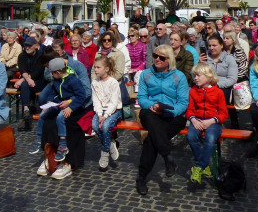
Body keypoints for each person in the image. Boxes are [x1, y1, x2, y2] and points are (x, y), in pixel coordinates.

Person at [135, 44, 190, 195]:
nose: (157, 59)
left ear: (169, 60)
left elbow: (183, 102)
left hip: (171, 115)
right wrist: (152, 105)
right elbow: (141, 98)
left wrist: (170, 112)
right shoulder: (146, 74)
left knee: (151, 140)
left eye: (161, 57)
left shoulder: (179, 76)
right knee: (150, 117)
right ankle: (167, 156)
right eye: (155, 56)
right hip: (151, 113)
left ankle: (141, 177)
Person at [28, 58, 86, 163]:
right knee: (42, 115)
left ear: (58, 72)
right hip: (58, 103)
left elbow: (81, 96)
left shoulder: (73, 81)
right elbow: (53, 93)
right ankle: (38, 139)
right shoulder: (56, 80)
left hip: (71, 106)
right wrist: (49, 103)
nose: (50, 75)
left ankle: (63, 146)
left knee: (60, 117)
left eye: (52, 72)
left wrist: (70, 107)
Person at [186, 63, 228, 186]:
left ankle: (199, 167)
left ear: (208, 76)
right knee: (191, 137)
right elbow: (189, 110)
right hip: (197, 120)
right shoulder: (193, 91)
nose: (195, 78)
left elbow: (224, 113)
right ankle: (204, 166)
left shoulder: (218, 92)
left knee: (210, 139)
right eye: (194, 76)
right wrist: (193, 120)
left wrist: (211, 121)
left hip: (213, 121)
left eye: (198, 75)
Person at [91, 55, 123, 171]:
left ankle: (104, 152)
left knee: (105, 126)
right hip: (101, 110)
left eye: (98, 67)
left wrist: (105, 116)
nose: (95, 69)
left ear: (107, 69)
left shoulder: (113, 82)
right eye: (95, 67)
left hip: (114, 111)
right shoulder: (95, 82)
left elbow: (114, 102)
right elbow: (96, 100)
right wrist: (99, 114)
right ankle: (110, 144)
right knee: (94, 125)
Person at [15, 36, 46, 131]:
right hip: (28, 82)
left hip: (39, 81)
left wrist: (23, 79)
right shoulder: (22, 56)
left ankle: (26, 110)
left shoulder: (41, 56)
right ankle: (26, 109)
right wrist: (27, 79)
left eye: (29, 45)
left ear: (36, 46)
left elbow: (38, 72)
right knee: (25, 85)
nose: (27, 47)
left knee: (24, 84)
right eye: (26, 45)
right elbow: (22, 70)